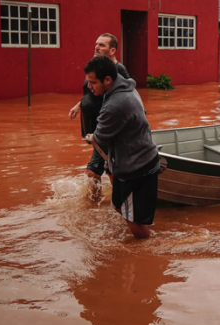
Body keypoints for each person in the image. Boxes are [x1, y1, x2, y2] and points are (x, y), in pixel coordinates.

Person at [83, 56, 159, 239]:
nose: (89, 87)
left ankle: (145, 252)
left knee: (134, 221)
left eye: (93, 83)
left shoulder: (116, 104)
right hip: (132, 161)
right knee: (118, 205)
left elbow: (100, 137)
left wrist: (92, 136)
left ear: (108, 80)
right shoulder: (126, 87)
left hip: (136, 168)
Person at [69, 33, 131, 185]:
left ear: (112, 51)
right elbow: (92, 91)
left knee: (94, 170)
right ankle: (112, 200)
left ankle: (104, 205)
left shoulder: (118, 70)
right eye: (96, 44)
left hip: (108, 128)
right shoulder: (96, 68)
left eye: (102, 45)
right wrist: (80, 105)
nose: (96, 47)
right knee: (109, 165)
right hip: (96, 127)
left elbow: (126, 96)